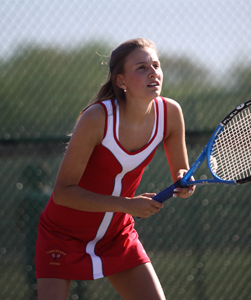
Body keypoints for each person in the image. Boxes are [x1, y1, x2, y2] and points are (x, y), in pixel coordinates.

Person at [35, 38, 195, 300]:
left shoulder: (170, 114)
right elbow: (63, 193)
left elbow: (182, 176)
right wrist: (127, 205)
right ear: (120, 81)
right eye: (141, 67)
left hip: (117, 237)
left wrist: (184, 185)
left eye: (156, 65)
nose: (153, 72)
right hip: (61, 236)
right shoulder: (96, 118)